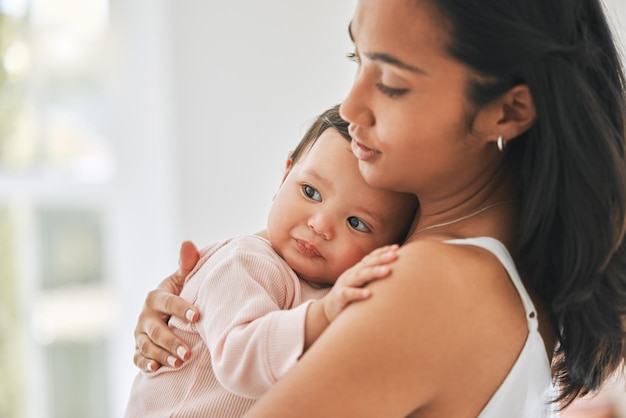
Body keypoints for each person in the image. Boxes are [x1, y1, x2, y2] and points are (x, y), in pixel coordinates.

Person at [132, 0, 626, 416]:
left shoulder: (430, 283)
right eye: (358, 59)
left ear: (507, 111)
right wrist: (206, 303)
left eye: (390, 80)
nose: (350, 108)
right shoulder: (491, 267)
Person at [124, 105, 419, 417]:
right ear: (285, 175)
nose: (320, 224)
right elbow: (239, 359)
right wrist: (324, 315)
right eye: (311, 192)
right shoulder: (244, 263)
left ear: (391, 245)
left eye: (356, 223)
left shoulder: (336, 288)